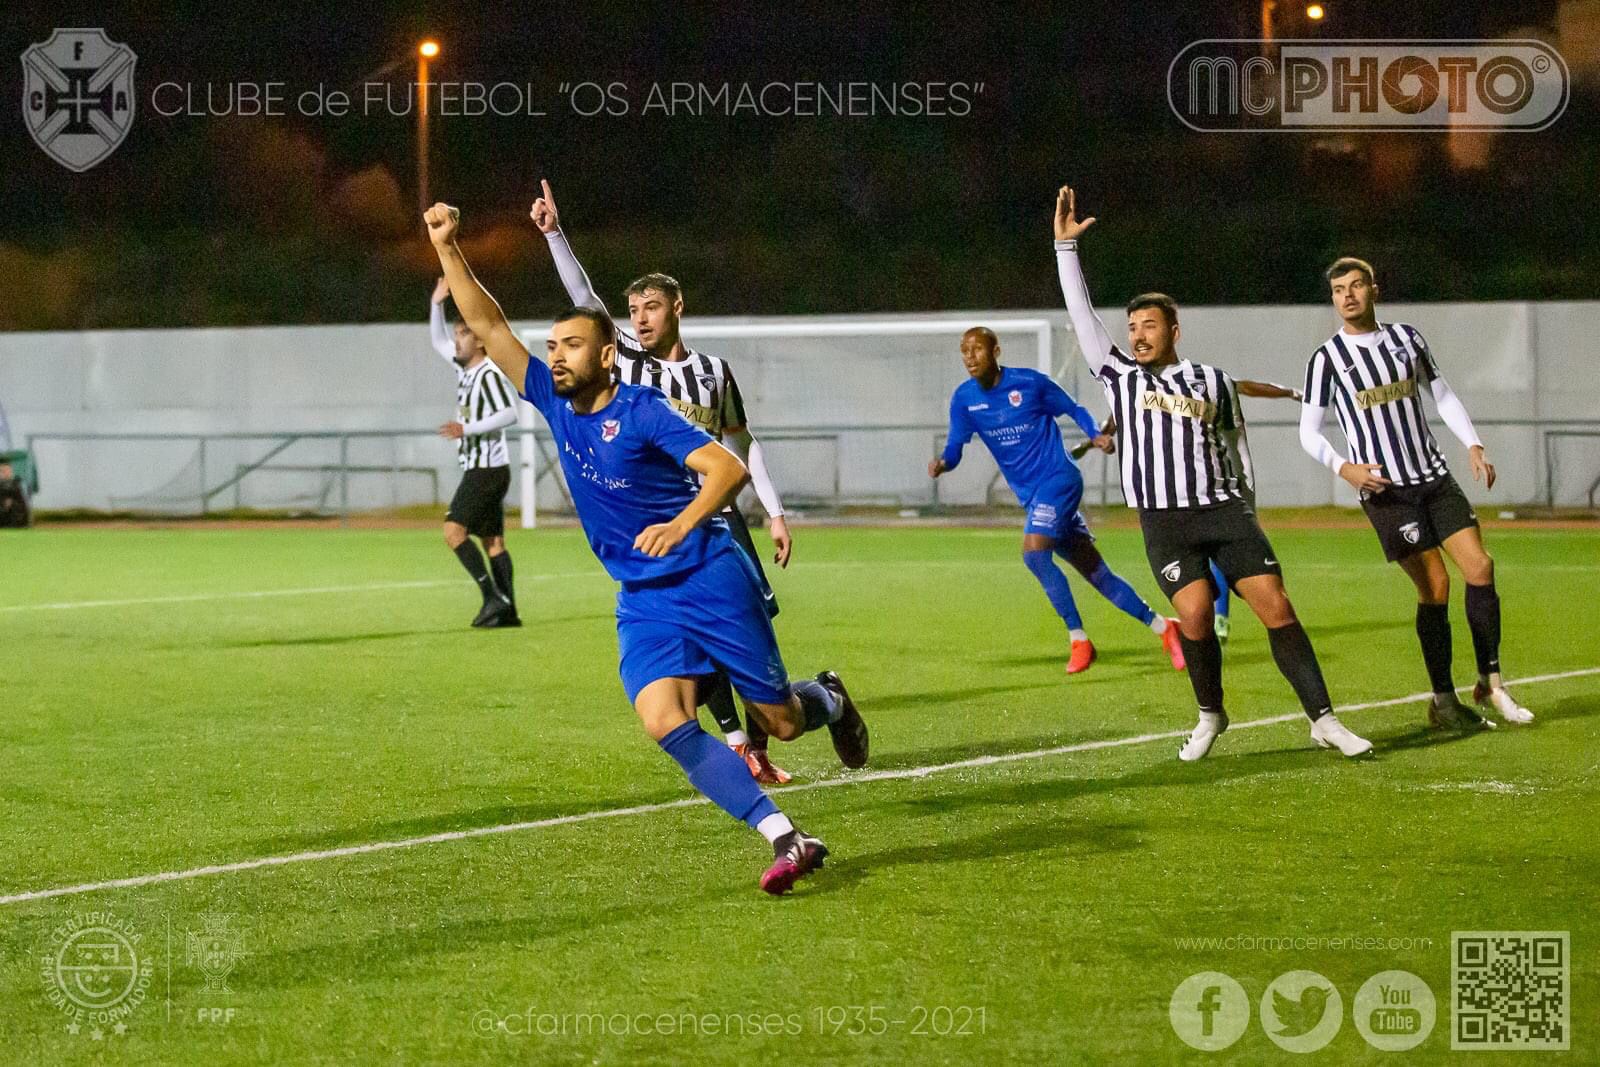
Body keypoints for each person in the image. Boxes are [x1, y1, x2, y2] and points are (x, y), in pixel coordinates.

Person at [425, 202, 868, 894]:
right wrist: (448, 248)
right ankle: (786, 834)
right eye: (551, 347)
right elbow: (487, 323)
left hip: (707, 573)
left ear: (606, 356)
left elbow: (729, 468)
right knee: (663, 719)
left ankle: (832, 700)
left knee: (779, 720)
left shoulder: (642, 410)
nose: (554, 357)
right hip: (645, 595)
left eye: (570, 345)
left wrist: (683, 524)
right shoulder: (550, 397)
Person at [1053, 184, 1371, 760]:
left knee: (1277, 605)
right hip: (1163, 520)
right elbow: (1082, 317)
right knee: (1195, 616)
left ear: (1173, 330)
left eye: (1149, 326)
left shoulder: (1209, 381)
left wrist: (1248, 499)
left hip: (1223, 510)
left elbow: (1235, 440)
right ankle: (1210, 714)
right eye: (1131, 328)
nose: (1137, 336)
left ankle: (1324, 719)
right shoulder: (1121, 376)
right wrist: (1065, 251)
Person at [530, 180, 797, 783]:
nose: (639, 319)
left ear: (676, 308)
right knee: (697, 657)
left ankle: (766, 735)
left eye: (651, 307)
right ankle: (740, 745)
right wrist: (554, 235)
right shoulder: (625, 363)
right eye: (633, 311)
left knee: (751, 642)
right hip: (659, 527)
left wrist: (773, 511)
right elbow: (585, 299)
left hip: (718, 519)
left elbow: (739, 445)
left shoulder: (713, 372)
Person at [1299, 256, 1533, 728]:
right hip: (1387, 491)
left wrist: (1474, 444)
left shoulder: (1407, 339)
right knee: (1436, 586)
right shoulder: (1326, 359)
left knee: (1480, 567)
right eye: (1339, 289)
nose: (1348, 295)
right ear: (1333, 299)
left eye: (1357, 285)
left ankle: (1492, 683)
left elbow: (1441, 394)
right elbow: (1309, 431)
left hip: (1434, 478)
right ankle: (1444, 700)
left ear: (1374, 290)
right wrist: (1344, 468)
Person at [931, 326, 1185, 674]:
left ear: (996, 351)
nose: (970, 357)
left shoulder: (1030, 384)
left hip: (1059, 480)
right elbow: (955, 448)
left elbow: (1073, 408)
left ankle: (1079, 639)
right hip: (1032, 496)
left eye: (977, 349)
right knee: (1096, 573)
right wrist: (944, 463)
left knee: (1035, 554)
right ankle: (1165, 628)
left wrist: (1095, 435)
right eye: (964, 350)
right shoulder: (964, 399)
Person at [1071, 376, 1301, 645]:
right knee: (1201, 565)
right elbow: (1116, 419)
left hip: (1220, 482)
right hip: (1176, 497)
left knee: (1224, 556)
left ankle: (1222, 618)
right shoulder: (1139, 391)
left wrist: (1290, 391)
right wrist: (1096, 439)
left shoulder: (1202, 381)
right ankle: (1216, 619)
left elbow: (1247, 386)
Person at [430, 276, 521, 628]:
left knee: (454, 532)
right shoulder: (464, 370)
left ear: (480, 341)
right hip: (486, 469)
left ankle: (492, 599)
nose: (456, 340)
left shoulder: (488, 374)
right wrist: (437, 303)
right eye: (457, 335)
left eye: (464, 334)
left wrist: (466, 429)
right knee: (493, 542)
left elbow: (510, 412)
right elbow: (437, 340)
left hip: (487, 469)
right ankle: (508, 611)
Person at [0, 460, 30, 528]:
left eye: (8, 471)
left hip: (15, 522)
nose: (7, 473)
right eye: (3, 471)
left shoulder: (15, 485)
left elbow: (21, 507)